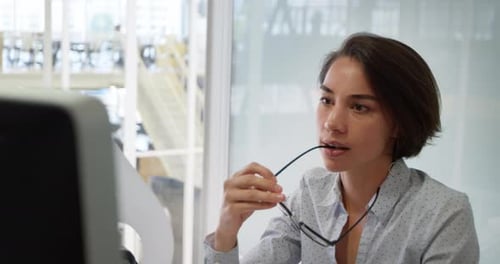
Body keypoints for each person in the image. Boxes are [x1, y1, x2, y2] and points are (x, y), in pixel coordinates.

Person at [204, 32, 479, 263]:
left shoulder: (444, 215)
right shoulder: (311, 192)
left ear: (400, 123)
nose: (332, 123)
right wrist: (227, 228)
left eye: (359, 107)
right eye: (326, 100)